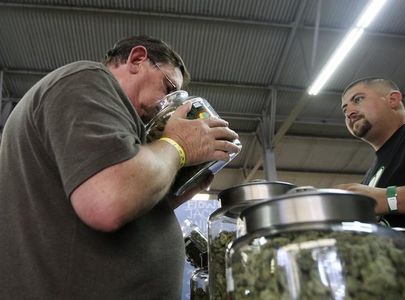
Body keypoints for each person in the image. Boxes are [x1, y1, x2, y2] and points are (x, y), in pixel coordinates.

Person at [0, 35, 240, 299]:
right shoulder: (87, 79)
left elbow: (110, 204)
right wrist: (179, 144)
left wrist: (171, 195)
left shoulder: (122, 132)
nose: (168, 105)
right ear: (137, 59)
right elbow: (107, 201)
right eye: (169, 87)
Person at [336, 77, 405, 262]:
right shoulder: (370, 177)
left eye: (357, 99)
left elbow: (383, 199)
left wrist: (386, 198)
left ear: (393, 100)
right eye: (344, 109)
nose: (348, 112)